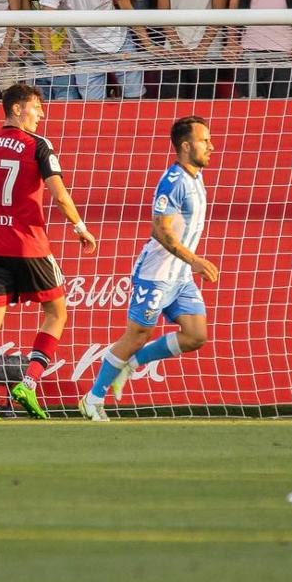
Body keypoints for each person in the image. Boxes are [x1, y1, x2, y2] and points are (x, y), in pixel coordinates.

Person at [0, 83, 97, 421]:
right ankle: (28, 382)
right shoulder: (37, 144)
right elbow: (59, 195)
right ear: (16, 109)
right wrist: (80, 227)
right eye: (36, 106)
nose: (41, 113)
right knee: (57, 313)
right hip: (29, 244)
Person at [80, 116, 216, 421]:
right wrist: (194, 260)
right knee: (137, 335)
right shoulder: (174, 180)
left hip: (180, 276)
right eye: (204, 140)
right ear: (185, 146)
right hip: (156, 275)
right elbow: (160, 230)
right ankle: (93, 397)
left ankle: (132, 364)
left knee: (196, 335)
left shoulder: (196, 177)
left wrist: (188, 264)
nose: (211, 146)